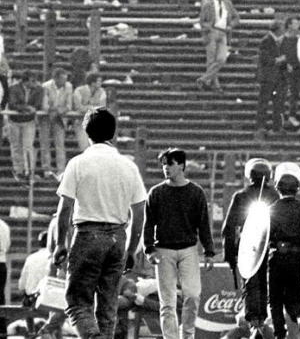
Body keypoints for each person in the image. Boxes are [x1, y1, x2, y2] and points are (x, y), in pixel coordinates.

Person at [51, 108, 147, 339]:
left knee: (77, 303)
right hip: (118, 237)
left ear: (86, 132)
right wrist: (132, 249)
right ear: (113, 134)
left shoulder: (78, 163)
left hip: (87, 234)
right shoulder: (129, 166)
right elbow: (139, 213)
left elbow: (65, 208)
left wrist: (60, 244)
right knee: (107, 307)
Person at [144, 148, 214, 339]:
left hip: (188, 249)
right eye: (163, 164)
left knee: (192, 295)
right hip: (163, 249)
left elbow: (203, 224)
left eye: (170, 163)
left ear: (181, 165)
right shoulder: (156, 192)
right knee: (167, 302)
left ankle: (188, 335)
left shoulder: (195, 192)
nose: (165, 168)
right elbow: (148, 223)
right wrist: (149, 248)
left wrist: (209, 251)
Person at [222, 159, 278, 338]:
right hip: (272, 247)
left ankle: (255, 324)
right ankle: (263, 323)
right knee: (267, 286)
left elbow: (228, 229)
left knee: (251, 285)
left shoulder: (241, 196)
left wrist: (230, 255)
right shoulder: (276, 196)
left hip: (249, 247)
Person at [266, 163, 300, 339]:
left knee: (275, 300)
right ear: (297, 188)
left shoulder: (270, 209)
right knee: (294, 299)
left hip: (277, 258)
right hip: (298, 260)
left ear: (277, 187)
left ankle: (280, 333)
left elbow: (264, 238)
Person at [196, 0, 237, 92]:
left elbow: (236, 18)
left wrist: (230, 26)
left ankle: (204, 79)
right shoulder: (208, 5)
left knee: (221, 59)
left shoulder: (228, 4)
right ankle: (216, 85)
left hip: (223, 33)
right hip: (212, 32)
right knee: (211, 60)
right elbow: (202, 21)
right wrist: (209, 27)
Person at [5, 68, 39, 183]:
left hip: (29, 121)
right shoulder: (13, 88)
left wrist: (29, 108)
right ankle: (18, 170)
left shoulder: (37, 89)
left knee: (28, 146)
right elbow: (12, 104)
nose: (35, 83)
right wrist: (26, 108)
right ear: (26, 81)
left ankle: (29, 171)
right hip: (14, 121)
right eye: (32, 81)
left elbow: (38, 104)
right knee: (16, 146)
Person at [40, 66, 73, 178]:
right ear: (55, 79)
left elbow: (68, 105)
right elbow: (44, 105)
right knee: (45, 144)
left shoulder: (69, 86)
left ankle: (61, 170)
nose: (65, 81)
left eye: (66, 78)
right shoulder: (45, 86)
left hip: (60, 118)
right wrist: (53, 110)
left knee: (60, 144)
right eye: (63, 79)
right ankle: (47, 169)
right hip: (45, 118)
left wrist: (58, 111)